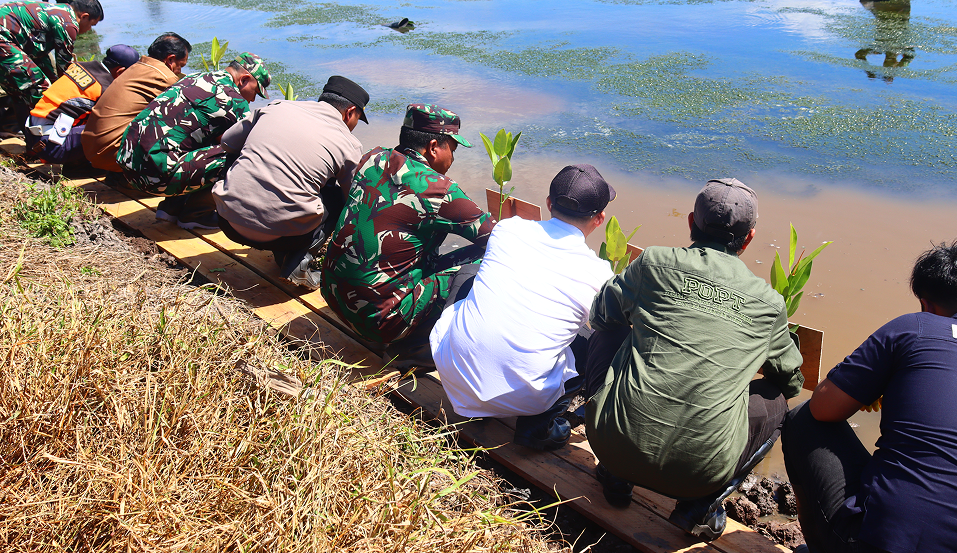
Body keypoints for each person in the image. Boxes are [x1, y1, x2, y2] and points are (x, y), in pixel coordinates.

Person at [584, 178, 804, 540]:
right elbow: (791, 381)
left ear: (691, 222)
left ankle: (617, 476)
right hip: (700, 472)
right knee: (776, 401)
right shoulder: (768, 302)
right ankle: (700, 505)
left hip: (609, 443)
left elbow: (602, 316)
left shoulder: (653, 261)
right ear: (749, 238)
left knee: (610, 332)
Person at [782, 240, 957, 553]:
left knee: (801, 420)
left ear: (925, 302)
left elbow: (823, 407)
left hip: (882, 542)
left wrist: (870, 386)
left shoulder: (913, 329)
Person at [430, 164, 615, 451]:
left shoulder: (508, 229)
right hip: (525, 398)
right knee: (594, 344)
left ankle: (477, 409)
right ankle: (537, 427)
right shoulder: (598, 275)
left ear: (549, 203)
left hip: (454, 374)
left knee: (469, 275)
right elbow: (611, 330)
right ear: (600, 219)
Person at [320, 103, 494, 367]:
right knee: (484, 266)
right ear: (434, 146)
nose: (453, 159)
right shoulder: (437, 188)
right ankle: (415, 349)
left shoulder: (372, 158)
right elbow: (499, 238)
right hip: (381, 323)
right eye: (453, 149)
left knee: (459, 253)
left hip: (333, 295)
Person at [213, 75, 368, 289]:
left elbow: (228, 142)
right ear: (350, 112)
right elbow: (354, 201)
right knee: (338, 198)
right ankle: (298, 262)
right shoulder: (349, 143)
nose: (354, 126)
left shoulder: (276, 107)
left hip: (227, 221)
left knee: (238, 155)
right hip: (286, 236)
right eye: (357, 120)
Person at [117, 52, 271, 230]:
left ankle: (171, 208)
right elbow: (251, 144)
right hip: (153, 178)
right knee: (244, 157)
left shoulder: (196, 77)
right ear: (244, 79)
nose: (253, 99)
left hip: (128, 168)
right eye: (255, 91)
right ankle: (196, 214)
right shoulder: (233, 99)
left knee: (198, 139)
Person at [81, 32, 191, 174]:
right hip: (110, 154)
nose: (179, 71)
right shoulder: (164, 77)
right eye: (180, 66)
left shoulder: (137, 67)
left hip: (91, 149)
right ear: (170, 59)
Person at [24, 44, 139, 165]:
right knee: (118, 128)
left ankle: (76, 160)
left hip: (34, 135)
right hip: (51, 146)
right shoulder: (105, 88)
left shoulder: (79, 66)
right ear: (120, 72)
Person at [0, 0, 103, 128]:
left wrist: (54, 83)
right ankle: (44, 133)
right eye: (91, 25)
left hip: (12, 37)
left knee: (22, 90)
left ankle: (25, 128)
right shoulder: (68, 24)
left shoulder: (60, 9)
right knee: (38, 86)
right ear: (84, 16)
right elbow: (65, 68)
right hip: (3, 37)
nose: (89, 30)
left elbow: (41, 57)